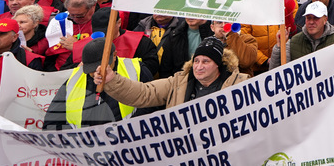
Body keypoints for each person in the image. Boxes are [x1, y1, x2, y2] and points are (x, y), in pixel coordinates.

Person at [96, 36, 248, 109]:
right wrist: (112, 80)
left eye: (206, 61)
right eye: (196, 61)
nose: (199, 66)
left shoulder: (241, 84)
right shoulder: (178, 82)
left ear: (218, 65)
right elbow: (144, 93)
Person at [44, 37, 148, 129]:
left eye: (100, 67)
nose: (96, 72)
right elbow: (53, 120)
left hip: (128, 138)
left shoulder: (136, 69)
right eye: (91, 69)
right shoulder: (74, 79)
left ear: (114, 55)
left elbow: (150, 106)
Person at [269, 1, 334, 67]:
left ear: (325, 20)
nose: (311, 22)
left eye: (316, 18)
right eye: (308, 18)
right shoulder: (293, 43)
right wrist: (279, 47)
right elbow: (276, 72)